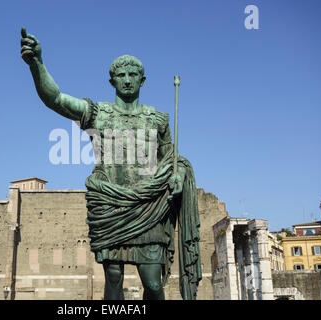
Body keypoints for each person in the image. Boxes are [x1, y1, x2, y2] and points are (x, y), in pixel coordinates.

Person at [20, 27, 201, 300]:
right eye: (121, 75)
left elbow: (171, 161)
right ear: (112, 81)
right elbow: (54, 99)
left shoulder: (158, 119)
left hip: (149, 207)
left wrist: (177, 177)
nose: (127, 80)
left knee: (153, 282)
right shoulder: (98, 114)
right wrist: (37, 64)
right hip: (110, 208)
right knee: (113, 277)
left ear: (143, 80)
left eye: (133, 75)